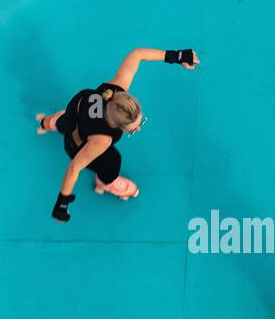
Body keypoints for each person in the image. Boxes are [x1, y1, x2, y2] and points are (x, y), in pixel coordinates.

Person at [37, 46, 199, 222]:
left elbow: (137, 54)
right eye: (133, 128)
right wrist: (62, 203)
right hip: (76, 144)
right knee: (113, 161)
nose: (137, 129)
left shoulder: (114, 90)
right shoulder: (102, 141)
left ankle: (45, 123)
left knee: (62, 121)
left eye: (140, 122)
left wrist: (179, 56)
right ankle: (105, 182)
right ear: (116, 125)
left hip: (73, 117)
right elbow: (74, 169)